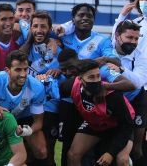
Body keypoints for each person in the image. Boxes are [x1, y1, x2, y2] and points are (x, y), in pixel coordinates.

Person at [60, 60, 135, 166]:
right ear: (80, 79)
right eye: (91, 77)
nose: (96, 80)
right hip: (96, 124)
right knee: (73, 155)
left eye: (98, 76)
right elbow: (55, 94)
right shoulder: (71, 86)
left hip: (119, 127)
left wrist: (110, 153)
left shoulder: (113, 96)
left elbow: (127, 126)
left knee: (122, 160)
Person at [0, 50, 48, 165]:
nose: (23, 74)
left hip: (24, 120)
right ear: (7, 70)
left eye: (25, 69)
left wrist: (28, 131)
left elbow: (38, 122)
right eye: (18, 69)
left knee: (41, 150)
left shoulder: (37, 88)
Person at [19, 11, 64, 166]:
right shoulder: (24, 49)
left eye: (43, 26)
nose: (39, 30)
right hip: (27, 107)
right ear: (31, 28)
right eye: (35, 26)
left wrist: (60, 71)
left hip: (50, 107)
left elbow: (69, 71)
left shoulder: (58, 50)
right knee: (28, 151)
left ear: (50, 28)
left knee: (48, 151)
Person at [111, 20, 147, 166]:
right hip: (114, 101)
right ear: (118, 36)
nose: (133, 42)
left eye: (136, 38)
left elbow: (137, 82)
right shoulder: (106, 49)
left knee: (137, 149)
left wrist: (121, 69)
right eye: (129, 38)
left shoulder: (141, 56)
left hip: (136, 101)